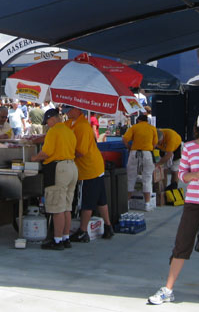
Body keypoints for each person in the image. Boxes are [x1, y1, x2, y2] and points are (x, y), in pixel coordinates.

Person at [148, 110, 199, 305]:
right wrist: (192, 176)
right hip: (194, 201)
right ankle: (168, 289)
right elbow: (182, 173)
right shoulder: (190, 147)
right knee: (182, 242)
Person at [30, 108, 78, 250]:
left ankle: (57, 241)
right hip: (72, 167)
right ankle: (65, 237)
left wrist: (34, 158)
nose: (47, 125)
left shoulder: (54, 131)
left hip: (59, 169)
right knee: (67, 207)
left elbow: (47, 152)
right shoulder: (69, 131)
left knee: (57, 207)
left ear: (53, 119)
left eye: (48, 122)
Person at [65, 106, 114, 242]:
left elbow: (80, 151)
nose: (66, 112)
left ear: (77, 109)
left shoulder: (82, 126)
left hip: (89, 168)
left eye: (68, 109)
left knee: (87, 200)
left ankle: (83, 230)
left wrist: (64, 153)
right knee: (100, 199)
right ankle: (108, 226)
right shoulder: (70, 123)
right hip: (95, 167)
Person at [122, 113, 158, 210]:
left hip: (134, 153)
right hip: (147, 153)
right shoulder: (152, 128)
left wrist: (129, 147)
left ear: (138, 120)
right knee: (147, 178)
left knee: (131, 177)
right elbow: (155, 143)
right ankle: (147, 204)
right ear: (147, 121)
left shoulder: (134, 127)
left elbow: (124, 139)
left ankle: (127, 203)